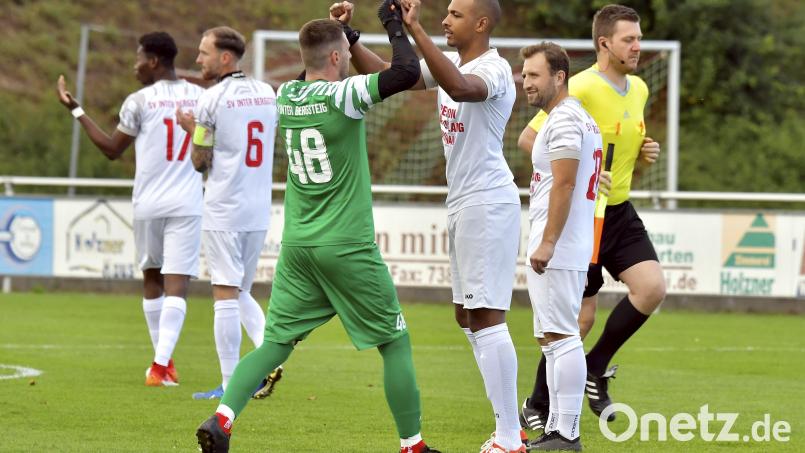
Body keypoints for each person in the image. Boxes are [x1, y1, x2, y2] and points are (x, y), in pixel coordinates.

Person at [195, 7, 439, 453]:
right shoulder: (343, 95)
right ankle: (413, 445)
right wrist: (393, 24)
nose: (349, 58)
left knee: (275, 344)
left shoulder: (286, 94)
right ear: (335, 58)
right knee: (395, 342)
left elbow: (367, 67)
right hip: (345, 243)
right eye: (346, 51)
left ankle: (222, 420)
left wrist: (346, 30)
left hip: (299, 244)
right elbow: (405, 72)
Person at [332, 0, 523, 450]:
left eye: (455, 15)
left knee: (487, 316)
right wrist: (355, 35)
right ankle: (505, 426)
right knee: (468, 316)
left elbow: (460, 89)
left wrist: (415, 30)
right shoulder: (452, 61)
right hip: (462, 201)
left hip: (488, 201)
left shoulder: (494, 70)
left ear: (481, 23)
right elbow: (391, 73)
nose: (445, 20)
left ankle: (510, 437)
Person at [518, 4, 665, 431]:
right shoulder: (578, 86)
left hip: (620, 210)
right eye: (629, 39)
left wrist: (644, 152)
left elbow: (617, 144)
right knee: (577, 320)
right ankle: (537, 403)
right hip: (589, 217)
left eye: (638, 38)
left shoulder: (637, 88)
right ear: (604, 43)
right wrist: (584, 174)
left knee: (651, 288)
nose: (637, 46)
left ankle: (596, 368)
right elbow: (531, 138)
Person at [57, 31, 203, 387]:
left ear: (153, 60)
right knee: (177, 284)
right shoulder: (201, 97)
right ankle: (161, 365)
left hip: (149, 203)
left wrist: (76, 109)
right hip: (187, 202)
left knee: (152, 278)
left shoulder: (139, 101)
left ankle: (162, 366)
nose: (134, 65)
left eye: (138, 58)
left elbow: (111, 149)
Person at [175, 26, 282, 400]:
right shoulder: (267, 92)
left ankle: (230, 382)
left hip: (224, 204)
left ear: (225, 58)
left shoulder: (211, 99)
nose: (197, 59)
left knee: (224, 292)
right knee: (240, 291)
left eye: (204, 53)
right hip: (257, 206)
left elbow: (199, 162)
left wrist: (192, 130)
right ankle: (269, 353)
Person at [521, 42, 602, 452]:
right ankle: (555, 428)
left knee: (562, 336)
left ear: (559, 77)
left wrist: (548, 240)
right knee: (552, 339)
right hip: (564, 243)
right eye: (525, 73)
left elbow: (567, 183)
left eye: (534, 75)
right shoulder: (575, 119)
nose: (526, 81)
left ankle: (566, 433)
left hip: (560, 244)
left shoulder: (567, 119)